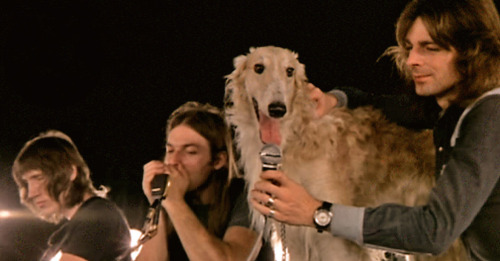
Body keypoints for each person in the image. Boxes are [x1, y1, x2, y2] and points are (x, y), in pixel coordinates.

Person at [250, 0, 500, 260]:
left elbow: (433, 230)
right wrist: (335, 99)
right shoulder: (454, 108)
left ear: (473, 51)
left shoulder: (491, 115)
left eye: (430, 49)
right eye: (410, 48)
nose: (412, 60)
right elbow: (387, 106)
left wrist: (318, 213)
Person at [135, 101, 258, 261]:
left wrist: (175, 203)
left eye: (190, 152)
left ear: (218, 161)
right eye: (170, 150)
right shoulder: (169, 197)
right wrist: (156, 203)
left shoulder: (247, 196)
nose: (173, 161)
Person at [11, 130, 133, 261]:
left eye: (38, 177)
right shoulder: (68, 232)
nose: (31, 193)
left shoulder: (98, 216)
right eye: (26, 183)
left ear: (70, 172)